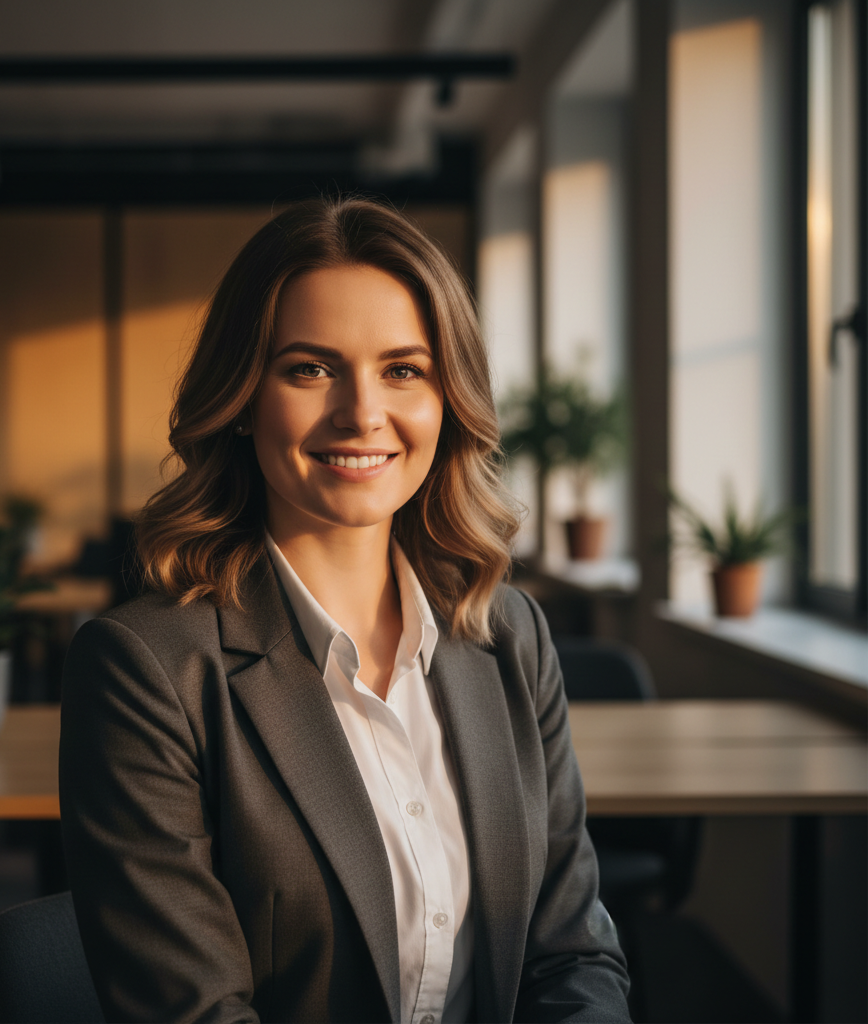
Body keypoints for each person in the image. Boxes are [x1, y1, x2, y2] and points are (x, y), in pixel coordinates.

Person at [59, 196, 631, 1024]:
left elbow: (573, 953)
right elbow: (197, 1013)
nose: (363, 412)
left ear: (448, 400)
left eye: (403, 369)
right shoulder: (147, 669)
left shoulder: (510, 635)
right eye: (309, 368)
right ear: (244, 398)